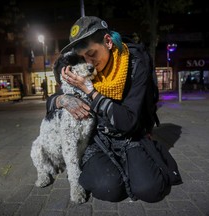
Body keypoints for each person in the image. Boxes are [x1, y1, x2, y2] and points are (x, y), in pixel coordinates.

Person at [47, 16, 180, 203]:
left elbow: (128, 121)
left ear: (108, 42)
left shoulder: (134, 65)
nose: (89, 64)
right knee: (108, 189)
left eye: (92, 54)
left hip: (129, 135)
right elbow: (51, 102)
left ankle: (142, 157)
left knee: (150, 190)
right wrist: (62, 99)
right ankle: (113, 168)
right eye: (83, 57)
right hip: (97, 138)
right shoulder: (84, 69)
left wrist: (90, 91)